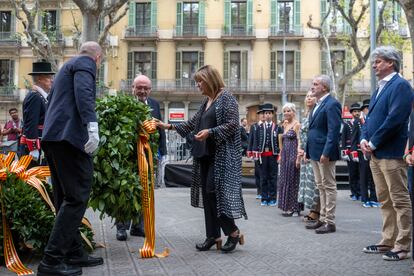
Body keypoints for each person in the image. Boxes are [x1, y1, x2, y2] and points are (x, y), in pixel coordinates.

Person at [156, 65, 247, 253]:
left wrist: (211, 132)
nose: (197, 85)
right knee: (207, 196)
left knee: (213, 193)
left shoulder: (226, 98)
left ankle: (233, 232)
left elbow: (232, 125)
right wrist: (167, 126)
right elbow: (192, 123)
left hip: (221, 156)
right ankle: (212, 236)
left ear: (210, 80)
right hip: (205, 156)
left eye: (200, 81)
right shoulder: (208, 101)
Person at [37, 41, 104, 276]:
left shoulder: (67, 66)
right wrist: (92, 126)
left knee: (64, 197)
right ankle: (51, 261)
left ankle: (72, 251)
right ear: (97, 58)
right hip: (69, 139)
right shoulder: (85, 62)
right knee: (77, 196)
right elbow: (84, 93)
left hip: (54, 137)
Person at [361, 46, 413, 261]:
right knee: (385, 200)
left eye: (379, 61)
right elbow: (370, 119)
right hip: (376, 153)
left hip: (391, 153)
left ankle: (402, 246)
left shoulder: (400, 86)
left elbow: (395, 120)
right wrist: (363, 139)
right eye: (375, 62)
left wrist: (373, 142)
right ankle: (387, 240)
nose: (374, 65)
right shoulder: (380, 88)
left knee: (399, 200)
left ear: (391, 62)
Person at [115, 74, 167, 241]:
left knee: (145, 189)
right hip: (127, 155)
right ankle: (122, 227)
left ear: (150, 90)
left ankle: (138, 226)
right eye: (139, 87)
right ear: (133, 88)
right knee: (125, 190)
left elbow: (160, 129)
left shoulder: (154, 105)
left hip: (148, 155)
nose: (142, 90)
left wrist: (162, 151)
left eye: (146, 88)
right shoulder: (123, 103)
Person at [305, 75, 341, 234]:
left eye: (315, 84)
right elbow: (312, 129)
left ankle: (330, 221)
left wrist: (326, 152)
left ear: (324, 87)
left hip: (324, 153)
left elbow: (333, 131)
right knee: (320, 186)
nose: (312, 87)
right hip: (314, 151)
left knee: (329, 186)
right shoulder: (317, 104)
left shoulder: (332, 104)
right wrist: (307, 151)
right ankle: (323, 218)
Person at [21, 60, 55, 165]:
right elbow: (31, 124)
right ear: (40, 79)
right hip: (36, 146)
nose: (52, 81)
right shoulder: (34, 96)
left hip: (42, 143)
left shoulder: (42, 97)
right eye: (49, 77)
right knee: (34, 178)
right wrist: (33, 148)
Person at [253, 103, 283, 207]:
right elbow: (256, 142)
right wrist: (256, 154)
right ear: (264, 115)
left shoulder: (278, 128)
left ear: (272, 115)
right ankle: (264, 198)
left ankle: (273, 198)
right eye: (266, 113)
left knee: (273, 177)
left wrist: (280, 155)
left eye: (270, 113)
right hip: (262, 156)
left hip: (273, 156)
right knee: (263, 177)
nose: (268, 115)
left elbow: (281, 143)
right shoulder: (259, 127)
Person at [297, 90, 320, 224]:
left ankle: (317, 211)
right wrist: (300, 149)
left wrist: (307, 151)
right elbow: (302, 135)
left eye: (312, 96)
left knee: (315, 184)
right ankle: (313, 209)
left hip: (312, 153)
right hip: (305, 154)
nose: (309, 98)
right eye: (307, 96)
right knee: (308, 183)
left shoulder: (316, 113)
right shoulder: (306, 114)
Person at [278, 103, 302, 216]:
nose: (286, 113)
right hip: (285, 156)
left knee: (293, 180)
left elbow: (300, 142)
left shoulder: (297, 125)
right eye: (285, 111)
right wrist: (281, 154)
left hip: (293, 155)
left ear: (294, 112)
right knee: (285, 180)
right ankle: (287, 206)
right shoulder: (285, 124)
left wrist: (298, 158)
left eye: (289, 111)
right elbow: (282, 140)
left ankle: (295, 208)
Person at [355, 99, 379, 208]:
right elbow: (354, 138)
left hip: (373, 150)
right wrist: (354, 152)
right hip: (362, 151)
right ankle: (365, 199)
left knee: (373, 176)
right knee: (364, 176)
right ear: (364, 110)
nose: (369, 110)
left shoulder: (374, 120)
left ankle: (374, 198)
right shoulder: (357, 122)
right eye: (367, 108)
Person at [341, 103, 361, 201]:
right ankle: (354, 193)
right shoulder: (347, 124)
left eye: (358, 111)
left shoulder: (362, 123)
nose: (357, 113)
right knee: (352, 173)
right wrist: (344, 152)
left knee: (360, 173)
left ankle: (360, 192)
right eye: (355, 111)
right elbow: (343, 138)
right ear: (351, 113)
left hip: (360, 150)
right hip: (349, 151)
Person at [247, 105, 265, 199]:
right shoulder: (254, 126)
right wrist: (249, 150)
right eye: (261, 114)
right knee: (257, 172)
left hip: (266, 153)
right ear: (258, 115)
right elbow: (251, 139)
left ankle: (264, 190)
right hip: (256, 153)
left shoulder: (269, 126)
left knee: (265, 172)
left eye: (264, 113)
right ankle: (259, 190)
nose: (262, 115)